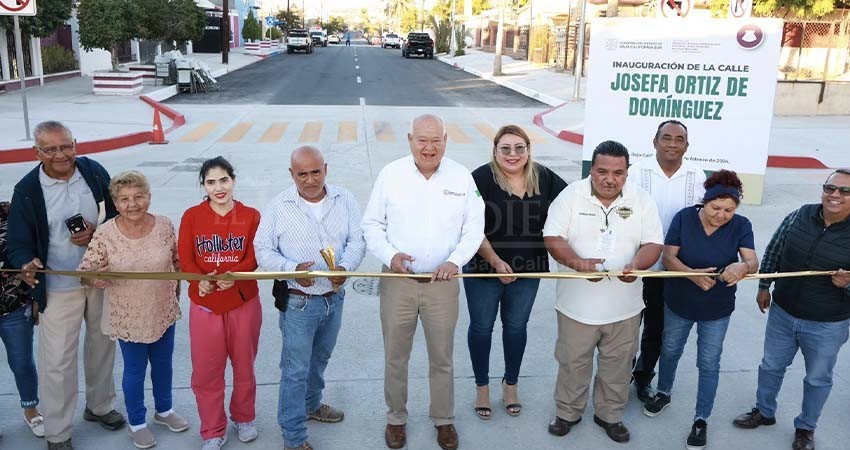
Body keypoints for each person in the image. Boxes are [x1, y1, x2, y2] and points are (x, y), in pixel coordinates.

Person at [362, 114, 485, 450]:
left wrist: (454, 261)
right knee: (395, 356)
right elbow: (371, 224)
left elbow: (474, 228)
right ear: (410, 139)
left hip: (442, 283)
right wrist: (390, 255)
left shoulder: (461, 177)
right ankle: (395, 419)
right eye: (422, 140)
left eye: (436, 140)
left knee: (442, 357)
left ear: (446, 140)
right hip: (398, 283)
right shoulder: (391, 175)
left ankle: (443, 420)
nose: (429, 147)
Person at [6, 121, 125, 450]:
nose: (61, 155)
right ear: (37, 152)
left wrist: (97, 231)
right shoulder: (28, 189)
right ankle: (58, 433)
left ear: (75, 143)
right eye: (51, 149)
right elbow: (16, 242)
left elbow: (119, 213)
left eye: (66, 146)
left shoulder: (93, 171)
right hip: (58, 283)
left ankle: (99, 406)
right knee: (57, 359)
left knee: (102, 345)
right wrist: (27, 263)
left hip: (99, 277)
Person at [543, 140, 663, 443]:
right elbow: (552, 236)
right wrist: (576, 262)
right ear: (591, 170)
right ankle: (568, 412)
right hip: (576, 308)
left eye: (618, 173)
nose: (610, 179)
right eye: (602, 171)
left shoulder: (642, 200)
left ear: (627, 172)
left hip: (625, 308)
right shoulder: (570, 196)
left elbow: (653, 243)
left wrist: (637, 264)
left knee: (619, 366)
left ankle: (609, 415)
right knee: (573, 362)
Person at [255, 146, 366, 450]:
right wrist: (291, 270)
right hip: (298, 303)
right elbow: (262, 250)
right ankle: (293, 435)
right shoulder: (279, 206)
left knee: (320, 359)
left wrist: (345, 266)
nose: (310, 179)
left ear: (325, 169)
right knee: (295, 370)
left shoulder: (344, 199)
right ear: (292, 174)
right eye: (302, 174)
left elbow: (358, 239)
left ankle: (312, 405)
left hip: (334, 299)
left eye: (315, 171)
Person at [732, 168, 850, 450]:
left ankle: (806, 428)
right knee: (771, 366)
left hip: (827, 324)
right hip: (783, 312)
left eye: (845, 191)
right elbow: (774, 249)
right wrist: (764, 287)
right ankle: (764, 411)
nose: (835, 195)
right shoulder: (800, 214)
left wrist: (846, 284)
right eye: (830, 188)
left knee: (817, 378)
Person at [641, 170, 757, 450]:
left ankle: (701, 419)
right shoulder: (684, 217)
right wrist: (691, 274)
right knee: (670, 349)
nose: (722, 215)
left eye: (729, 210)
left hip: (717, 308)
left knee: (709, 362)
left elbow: (752, 262)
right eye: (716, 208)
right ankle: (664, 392)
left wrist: (742, 267)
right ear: (704, 202)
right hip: (679, 301)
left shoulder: (741, 225)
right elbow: (668, 257)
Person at [77, 171, 189, 449]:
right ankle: (137, 423)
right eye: (125, 199)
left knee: (163, 364)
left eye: (139, 196)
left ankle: (164, 411)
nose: (133, 204)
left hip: (162, 308)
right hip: (128, 314)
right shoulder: (105, 233)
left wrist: (177, 291)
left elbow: (176, 262)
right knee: (135, 370)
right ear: (115, 202)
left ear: (149, 197)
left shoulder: (164, 225)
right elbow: (84, 273)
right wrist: (95, 278)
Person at [463, 125, 567, 420]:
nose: (513, 154)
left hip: (529, 268)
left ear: (528, 150)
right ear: (494, 150)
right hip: (483, 267)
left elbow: (573, 202)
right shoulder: (480, 177)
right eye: (505, 148)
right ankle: (481, 387)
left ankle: (510, 385)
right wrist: (495, 261)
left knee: (516, 328)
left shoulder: (543, 177)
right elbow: (469, 227)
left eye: (519, 148)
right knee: (482, 328)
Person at [178, 157, 263, 450]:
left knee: (244, 365)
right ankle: (213, 429)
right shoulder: (191, 216)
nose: (218, 187)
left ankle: (244, 416)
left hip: (242, 302)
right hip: (205, 306)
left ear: (233, 180)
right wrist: (196, 280)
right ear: (203, 185)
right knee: (206, 370)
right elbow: (185, 258)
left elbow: (256, 255)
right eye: (211, 182)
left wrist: (237, 276)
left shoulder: (251, 215)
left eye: (223, 180)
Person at [628, 120, 706, 403]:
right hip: (636, 266)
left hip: (672, 269)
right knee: (626, 327)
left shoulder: (697, 175)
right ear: (655, 142)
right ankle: (619, 375)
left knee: (657, 329)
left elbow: (703, 220)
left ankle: (643, 377)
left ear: (687, 145)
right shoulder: (636, 173)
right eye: (666, 138)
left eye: (679, 139)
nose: (672, 143)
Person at [0, 199, 44, 438]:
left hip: (14, 305)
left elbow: (33, 255)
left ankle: (31, 408)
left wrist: (37, 296)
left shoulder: (11, 213)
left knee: (22, 363)